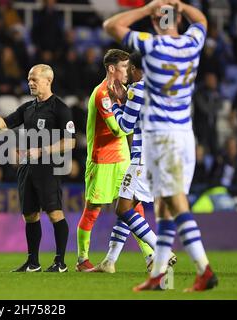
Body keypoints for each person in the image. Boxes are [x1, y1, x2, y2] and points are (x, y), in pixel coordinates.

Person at [103, 0, 218, 291]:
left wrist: (146, 8)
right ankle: (158, 274)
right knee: (165, 208)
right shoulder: (192, 43)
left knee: (175, 202)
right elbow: (202, 21)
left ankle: (204, 268)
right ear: (180, 20)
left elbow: (112, 26)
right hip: (183, 135)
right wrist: (180, 5)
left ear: (156, 22)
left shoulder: (152, 46)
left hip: (161, 137)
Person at [0, 64, 75, 272]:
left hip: (49, 167)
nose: (30, 83)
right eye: (29, 79)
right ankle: (33, 262)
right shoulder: (28, 108)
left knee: (54, 212)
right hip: (27, 167)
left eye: (34, 79)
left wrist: (42, 150)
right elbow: (5, 124)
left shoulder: (60, 108)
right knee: (29, 215)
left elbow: (71, 142)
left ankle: (60, 262)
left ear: (48, 81)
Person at [93, 51, 176, 273]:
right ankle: (109, 261)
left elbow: (125, 127)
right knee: (127, 204)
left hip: (143, 157)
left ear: (134, 68)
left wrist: (116, 104)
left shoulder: (138, 89)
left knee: (122, 209)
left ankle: (162, 250)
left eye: (130, 68)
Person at [75, 49, 153, 272]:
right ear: (111, 68)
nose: (128, 71)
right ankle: (82, 260)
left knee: (133, 206)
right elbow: (118, 130)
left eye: (130, 66)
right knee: (93, 210)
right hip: (101, 160)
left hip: (124, 159)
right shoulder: (102, 94)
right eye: (123, 67)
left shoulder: (127, 90)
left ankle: (149, 255)